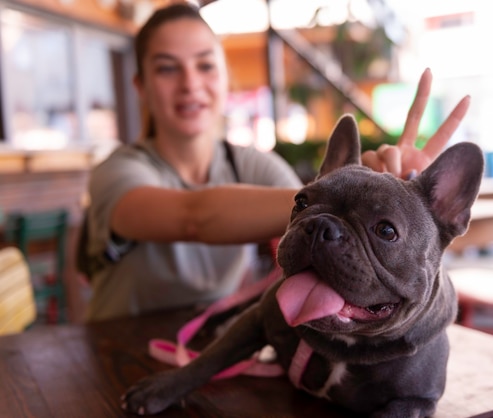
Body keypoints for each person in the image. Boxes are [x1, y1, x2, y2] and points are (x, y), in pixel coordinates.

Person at [83, 2, 470, 322]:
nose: (189, 83)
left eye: (205, 65)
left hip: (213, 337)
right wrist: (354, 189)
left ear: (224, 75)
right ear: (141, 86)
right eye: (167, 68)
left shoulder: (251, 165)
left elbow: (315, 229)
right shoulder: (115, 172)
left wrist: (393, 203)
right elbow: (193, 215)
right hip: (118, 345)